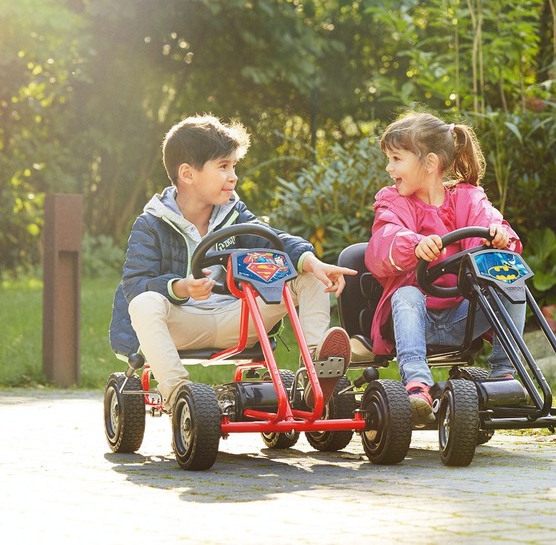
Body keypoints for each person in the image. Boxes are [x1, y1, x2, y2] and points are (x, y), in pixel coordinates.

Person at [109, 114, 356, 411]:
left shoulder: (234, 214)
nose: (233, 176)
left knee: (309, 273)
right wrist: (181, 287)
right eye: (223, 166)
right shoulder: (151, 224)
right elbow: (135, 285)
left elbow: (272, 241)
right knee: (144, 303)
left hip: (235, 318)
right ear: (188, 174)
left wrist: (310, 260)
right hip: (182, 323)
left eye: (234, 166)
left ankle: (315, 369)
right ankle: (178, 393)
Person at [364, 111, 526, 424]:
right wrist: (413, 245)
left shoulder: (468, 198)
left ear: (429, 163)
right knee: (406, 294)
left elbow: (489, 223)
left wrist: (497, 237)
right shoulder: (394, 202)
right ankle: (417, 385)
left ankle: (503, 374)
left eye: (396, 159)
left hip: (462, 318)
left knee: (511, 278)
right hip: (413, 320)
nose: (389, 168)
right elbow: (381, 244)